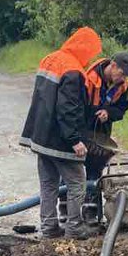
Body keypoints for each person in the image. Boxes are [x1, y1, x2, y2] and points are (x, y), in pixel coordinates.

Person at [20, 26, 103, 241]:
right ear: (84, 48)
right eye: (91, 52)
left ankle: (49, 227)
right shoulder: (73, 70)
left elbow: (42, 98)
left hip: (40, 136)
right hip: (59, 140)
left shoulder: (50, 59)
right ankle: (74, 228)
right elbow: (68, 108)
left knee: (48, 184)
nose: (90, 58)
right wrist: (74, 140)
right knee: (77, 183)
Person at [84, 51, 128, 222]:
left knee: (95, 170)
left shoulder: (123, 85)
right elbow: (76, 106)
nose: (123, 78)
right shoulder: (89, 78)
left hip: (101, 134)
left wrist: (108, 113)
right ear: (113, 66)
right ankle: (67, 210)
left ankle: (92, 213)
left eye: (126, 75)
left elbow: (121, 110)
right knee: (73, 170)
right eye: (121, 73)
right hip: (81, 130)